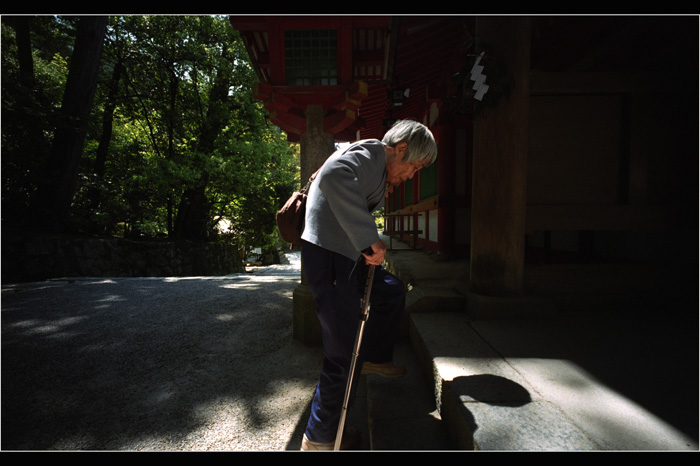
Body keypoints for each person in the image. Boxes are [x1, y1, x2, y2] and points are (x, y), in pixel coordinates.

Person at [299, 120, 438, 450]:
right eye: (414, 167)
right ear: (401, 149)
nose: (411, 176)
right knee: (341, 353)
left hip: (343, 256)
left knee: (389, 290)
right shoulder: (372, 151)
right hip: (330, 258)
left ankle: (373, 357)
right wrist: (369, 239)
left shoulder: (368, 159)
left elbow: (326, 174)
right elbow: (332, 178)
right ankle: (318, 439)